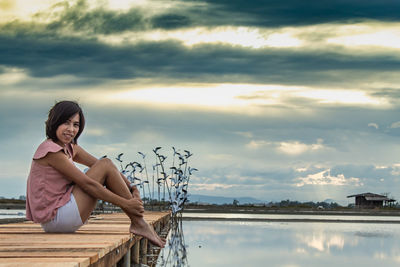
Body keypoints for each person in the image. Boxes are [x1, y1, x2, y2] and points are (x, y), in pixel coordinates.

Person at [26, 100, 165, 247]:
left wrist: (133, 187)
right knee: (102, 165)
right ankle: (139, 223)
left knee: (104, 163)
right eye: (66, 123)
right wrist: (127, 204)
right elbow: (88, 184)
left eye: (76, 125)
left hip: (61, 216)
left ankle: (139, 222)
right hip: (56, 219)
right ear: (55, 122)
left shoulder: (70, 149)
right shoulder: (51, 152)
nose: (71, 129)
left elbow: (108, 168)